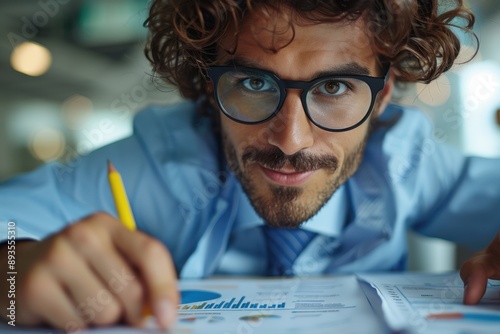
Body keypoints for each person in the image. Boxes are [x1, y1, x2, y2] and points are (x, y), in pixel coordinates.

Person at [1, 0, 499, 331]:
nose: (290, 140)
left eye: (333, 88)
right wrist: (12, 275)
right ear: (207, 86)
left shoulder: (406, 162)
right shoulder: (152, 165)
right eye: (254, 84)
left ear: (384, 92)